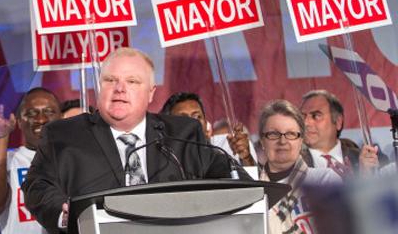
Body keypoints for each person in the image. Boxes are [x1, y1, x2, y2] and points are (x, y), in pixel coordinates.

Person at [24, 47, 251, 233]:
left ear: (151, 93)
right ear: (99, 87)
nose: (120, 89)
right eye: (110, 80)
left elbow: (230, 177)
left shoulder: (182, 134)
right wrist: (64, 213)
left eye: (132, 81)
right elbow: (37, 186)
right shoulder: (63, 134)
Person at [0, 88, 62, 234]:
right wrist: (0, 137)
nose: (41, 119)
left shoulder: (74, 158)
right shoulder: (8, 161)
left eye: (49, 111)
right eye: (31, 113)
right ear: (19, 121)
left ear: (61, 117)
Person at [258, 100, 341, 234]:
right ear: (262, 141)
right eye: (273, 134)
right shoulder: (252, 193)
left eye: (291, 134)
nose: (282, 141)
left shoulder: (325, 180)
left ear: (301, 140)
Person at [299, 90, 384, 176]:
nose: (306, 123)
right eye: (302, 116)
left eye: (316, 116)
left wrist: (365, 179)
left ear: (338, 121)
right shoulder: (291, 166)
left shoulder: (372, 159)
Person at [161, 92, 257, 166]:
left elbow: (252, 186)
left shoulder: (224, 150)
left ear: (206, 124)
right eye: (183, 119)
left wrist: (246, 159)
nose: (192, 124)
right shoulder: (158, 160)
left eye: (197, 117)